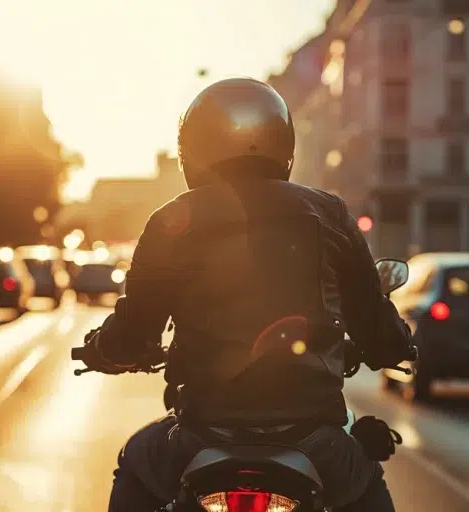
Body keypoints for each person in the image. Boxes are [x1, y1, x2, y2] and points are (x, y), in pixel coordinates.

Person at [79, 77, 414, 511]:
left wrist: (101, 351)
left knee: (135, 463)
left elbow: (134, 329)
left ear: (192, 149)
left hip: (202, 431)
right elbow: (373, 319)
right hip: (314, 437)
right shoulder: (328, 212)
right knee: (366, 484)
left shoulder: (171, 220)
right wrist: (397, 344)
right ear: (283, 143)